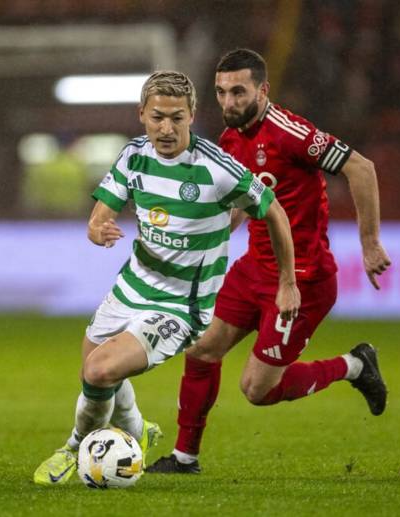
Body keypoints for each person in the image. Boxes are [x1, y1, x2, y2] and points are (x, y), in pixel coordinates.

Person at [33, 70, 300, 486]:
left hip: (181, 304)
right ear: (142, 114)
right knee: (93, 365)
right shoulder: (133, 156)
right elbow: (99, 217)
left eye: (177, 118)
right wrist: (98, 229)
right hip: (131, 287)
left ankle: (72, 449)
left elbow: (274, 211)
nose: (166, 128)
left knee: (99, 371)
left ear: (192, 115)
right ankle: (138, 431)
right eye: (157, 117)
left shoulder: (217, 169)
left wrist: (288, 282)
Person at [147, 49, 391, 474]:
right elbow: (242, 204)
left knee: (257, 390)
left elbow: (362, 168)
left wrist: (369, 244)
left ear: (263, 90)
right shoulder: (230, 139)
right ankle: (185, 458)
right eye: (221, 92)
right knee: (202, 348)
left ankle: (354, 365)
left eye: (238, 92)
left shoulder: (291, 133)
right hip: (254, 269)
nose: (228, 102)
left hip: (302, 280)